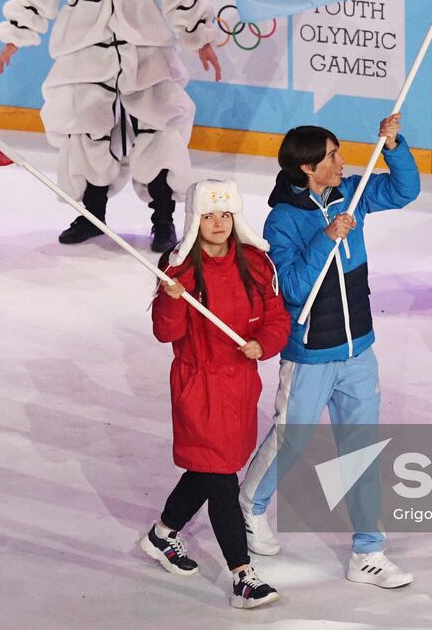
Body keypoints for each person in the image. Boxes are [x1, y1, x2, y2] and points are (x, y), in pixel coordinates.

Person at [0, 0, 222, 251]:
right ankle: (91, 216)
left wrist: (200, 39)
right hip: (86, 55)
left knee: (156, 131)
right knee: (88, 130)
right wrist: (16, 34)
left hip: (145, 53)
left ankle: (163, 220)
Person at [238, 114, 420, 589]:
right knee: (291, 437)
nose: (343, 162)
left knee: (360, 447)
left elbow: (404, 192)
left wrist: (395, 145)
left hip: (359, 346)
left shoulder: (351, 192)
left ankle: (368, 552)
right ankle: (249, 505)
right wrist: (327, 238)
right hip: (310, 352)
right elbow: (294, 288)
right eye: (333, 157)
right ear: (307, 169)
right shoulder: (282, 219)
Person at [141, 179, 290, 609]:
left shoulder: (258, 264)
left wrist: (263, 345)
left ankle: (162, 535)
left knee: (209, 469)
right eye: (209, 215)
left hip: (240, 384)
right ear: (195, 220)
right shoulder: (180, 270)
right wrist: (171, 300)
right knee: (221, 478)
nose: (218, 223)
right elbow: (166, 332)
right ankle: (242, 576)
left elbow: (277, 317)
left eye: (225, 214)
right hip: (198, 386)